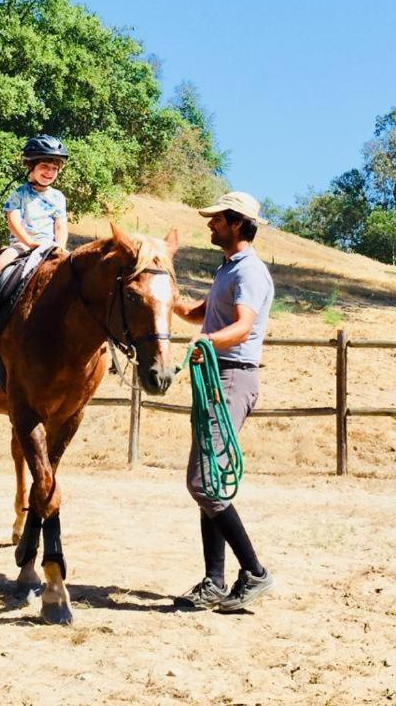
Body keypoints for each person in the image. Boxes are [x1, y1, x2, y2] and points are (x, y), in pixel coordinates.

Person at [172, 191, 276, 612]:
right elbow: (207, 312)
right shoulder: (229, 269)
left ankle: (254, 573)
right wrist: (174, 304)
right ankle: (214, 582)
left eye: (217, 219)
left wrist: (206, 340)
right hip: (218, 377)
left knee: (203, 483)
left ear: (236, 223)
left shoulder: (250, 271)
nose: (210, 224)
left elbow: (243, 327)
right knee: (208, 484)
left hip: (232, 376)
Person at [0, 134, 69, 314]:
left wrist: (60, 246)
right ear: (31, 166)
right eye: (44, 166)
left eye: (54, 168)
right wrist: (29, 243)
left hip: (50, 247)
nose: (49, 172)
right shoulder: (19, 193)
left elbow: (60, 225)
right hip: (22, 245)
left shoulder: (58, 197)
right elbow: (13, 222)